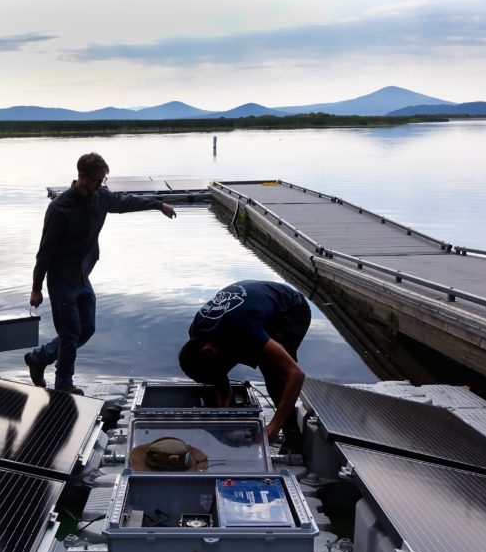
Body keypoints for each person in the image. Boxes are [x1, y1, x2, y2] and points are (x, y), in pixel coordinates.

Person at [25, 152, 176, 393]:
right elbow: (44, 252)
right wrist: (36, 287)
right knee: (71, 331)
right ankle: (63, 383)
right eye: (96, 180)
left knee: (87, 329)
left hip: (83, 276)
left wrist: (158, 205)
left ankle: (40, 357)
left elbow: (126, 202)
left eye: (103, 180)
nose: (100, 185)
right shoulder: (59, 208)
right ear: (81, 176)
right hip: (61, 279)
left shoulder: (100, 197)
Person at [178, 280, 311, 451]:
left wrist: (274, 426)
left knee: (274, 372)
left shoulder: (244, 326)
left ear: (208, 350)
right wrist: (221, 420)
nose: (222, 374)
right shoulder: (197, 333)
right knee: (222, 364)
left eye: (219, 372)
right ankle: (226, 413)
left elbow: (296, 374)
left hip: (290, 309)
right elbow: (218, 377)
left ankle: (293, 438)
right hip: (250, 311)